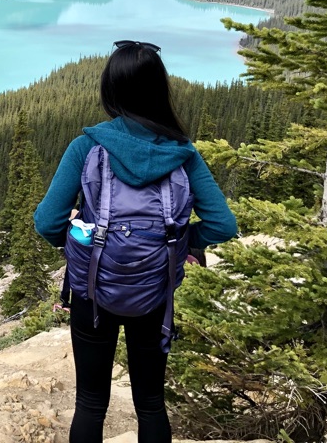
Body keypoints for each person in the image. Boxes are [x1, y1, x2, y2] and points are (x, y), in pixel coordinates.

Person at [34, 40, 237, 443]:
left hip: (93, 292)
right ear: (160, 91)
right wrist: (179, 242)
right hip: (155, 294)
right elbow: (223, 225)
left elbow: (47, 222)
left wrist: (81, 240)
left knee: (91, 404)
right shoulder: (183, 154)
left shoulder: (87, 146)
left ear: (111, 90)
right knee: (150, 404)